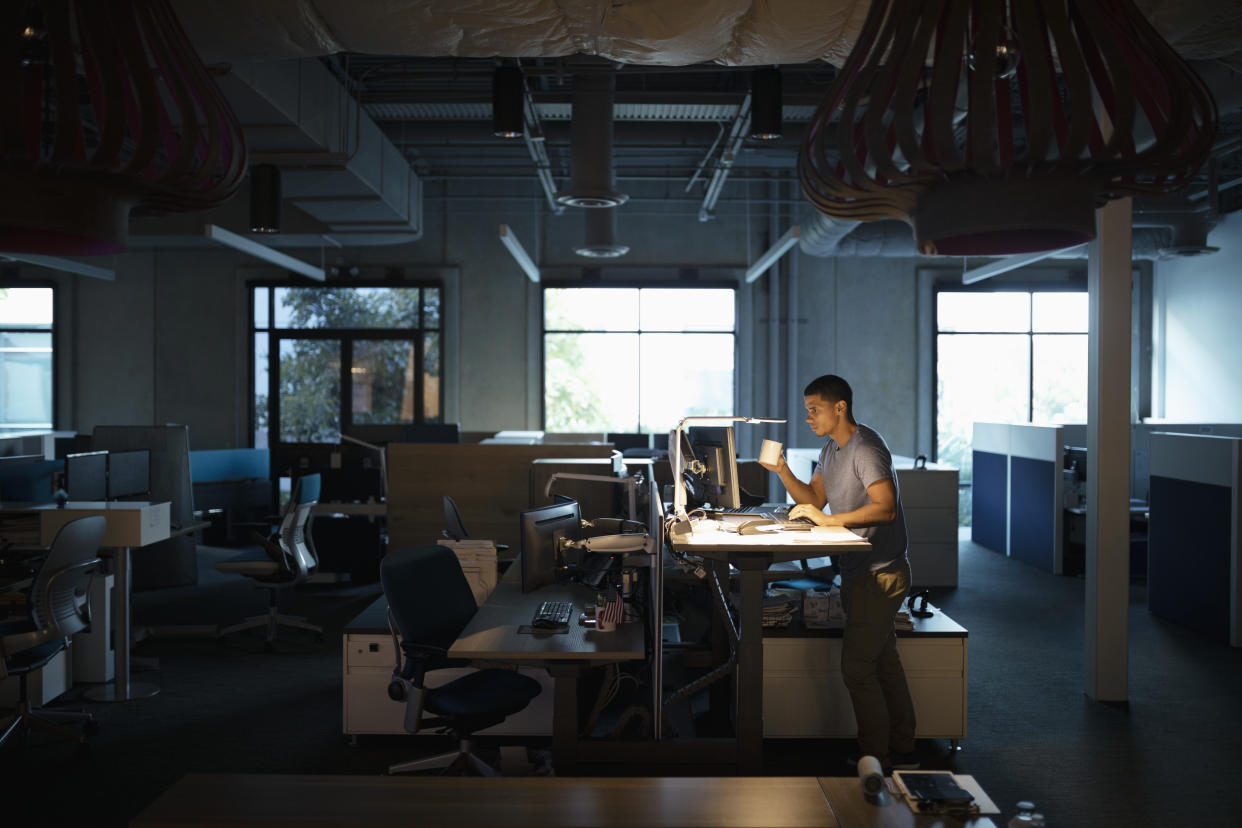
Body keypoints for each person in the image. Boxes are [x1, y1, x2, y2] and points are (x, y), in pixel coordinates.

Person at [759, 373, 918, 770]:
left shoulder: (865, 448)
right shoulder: (831, 450)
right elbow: (814, 497)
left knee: (857, 668)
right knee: (883, 662)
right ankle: (904, 746)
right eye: (807, 411)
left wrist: (832, 522)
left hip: (881, 573)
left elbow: (886, 507)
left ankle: (874, 758)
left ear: (840, 407)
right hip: (858, 570)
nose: (808, 418)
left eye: (814, 410)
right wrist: (781, 470)